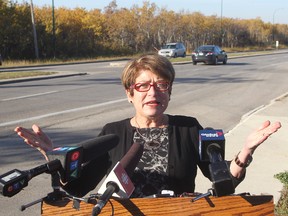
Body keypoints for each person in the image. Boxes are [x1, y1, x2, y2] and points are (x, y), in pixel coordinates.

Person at [14, 53, 281, 198]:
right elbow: (77, 188)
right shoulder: (113, 133)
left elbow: (223, 181)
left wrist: (245, 151)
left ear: (169, 92)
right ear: (129, 93)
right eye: (143, 85)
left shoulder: (189, 129)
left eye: (161, 85)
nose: (152, 92)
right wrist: (58, 158)